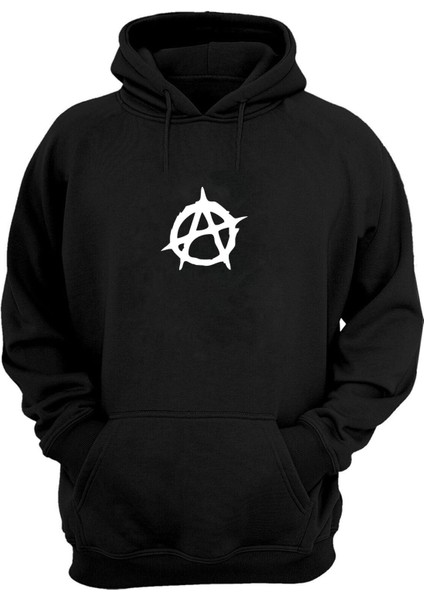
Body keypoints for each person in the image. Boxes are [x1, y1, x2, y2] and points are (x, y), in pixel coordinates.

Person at [1, 10, 423, 590]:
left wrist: (317, 447)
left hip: (290, 525)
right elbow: (30, 310)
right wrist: (78, 438)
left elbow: (389, 319)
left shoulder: (341, 145)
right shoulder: (78, 142)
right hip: (110, 526)